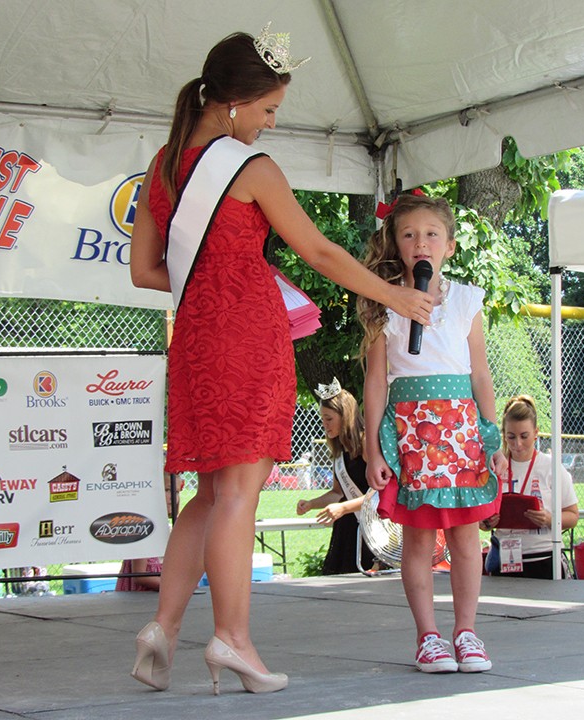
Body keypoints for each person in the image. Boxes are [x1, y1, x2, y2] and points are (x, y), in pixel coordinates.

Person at [128, 28, 434, 695]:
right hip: (246, 337)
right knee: (238, 492)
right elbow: (320, 253)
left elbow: (145, 272)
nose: (269, 124)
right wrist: (396, 297)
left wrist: (210, 279)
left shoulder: (160, 167)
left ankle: (162, 627)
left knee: (207, 493)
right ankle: (232, 639)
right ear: (233, 103)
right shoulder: (249, 167)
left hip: (195, 340)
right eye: (267, 110)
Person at [358, 192, 507, 674]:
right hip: (411, 433)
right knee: (419, 539)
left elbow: (481, 374)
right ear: (395, 244)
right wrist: (371, 445)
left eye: (431, 234)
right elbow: (377, 379)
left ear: (450, 244)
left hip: (462, 431)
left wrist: (492, 438)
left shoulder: (466, 299)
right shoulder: (384, 299)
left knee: (466, 537)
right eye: (408, 234)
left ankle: (467, 631)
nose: (420, 242)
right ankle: (428, 637)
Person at [481, 395, 579, 579]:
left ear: (536, 432)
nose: (517, 444)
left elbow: (573, 516)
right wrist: (487, 522)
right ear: (504, 434)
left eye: (524, 436)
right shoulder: (495, 468)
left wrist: (549, 519)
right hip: (504, 560)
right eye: (511, 437)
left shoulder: (552, 468)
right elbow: (481, 520)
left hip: (543, 557)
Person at [296, 378, 374, 574]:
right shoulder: (340, 451)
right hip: (348, 528)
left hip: (373, 528)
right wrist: (311, 503)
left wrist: (344, 508)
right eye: (322, 418)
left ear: (345, 415)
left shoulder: (366, 443)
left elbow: (383, 493)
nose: (324, 424)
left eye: (329, 418)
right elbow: (338, 493)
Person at [115, 472, 183, 592]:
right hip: (140, 598)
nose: (173, 496)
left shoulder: (172, 527)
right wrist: (177, 587)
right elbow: (140, 576)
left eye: (176, 492)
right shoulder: (143, 527)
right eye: (167, 490)